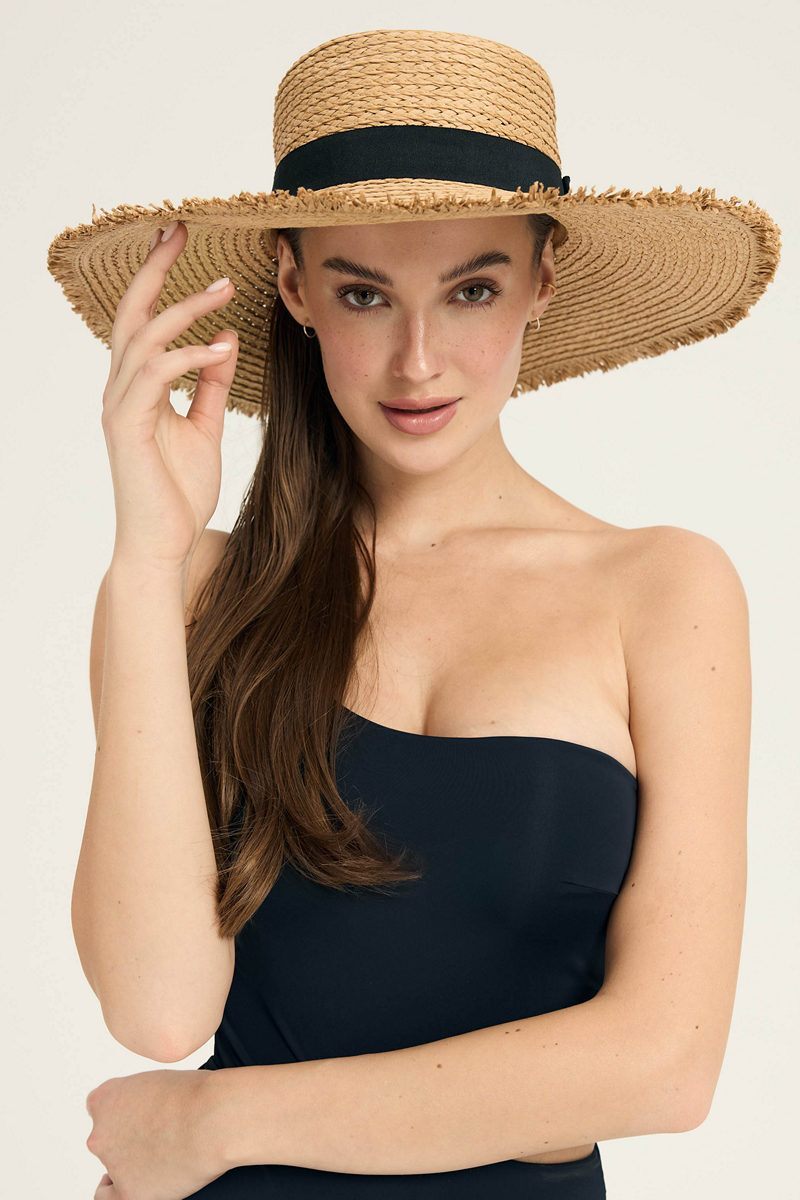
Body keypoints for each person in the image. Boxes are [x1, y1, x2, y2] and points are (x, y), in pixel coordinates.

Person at [48, 28, 779, 1200]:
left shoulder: (662, 589)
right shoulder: (189, 590)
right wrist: (144, 560)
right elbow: (157, 1006)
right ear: (294, 288)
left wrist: (214, 1122)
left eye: (470, 289)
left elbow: (662, 1065)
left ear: (541, 280)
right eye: (363, 294)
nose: (417, 361)